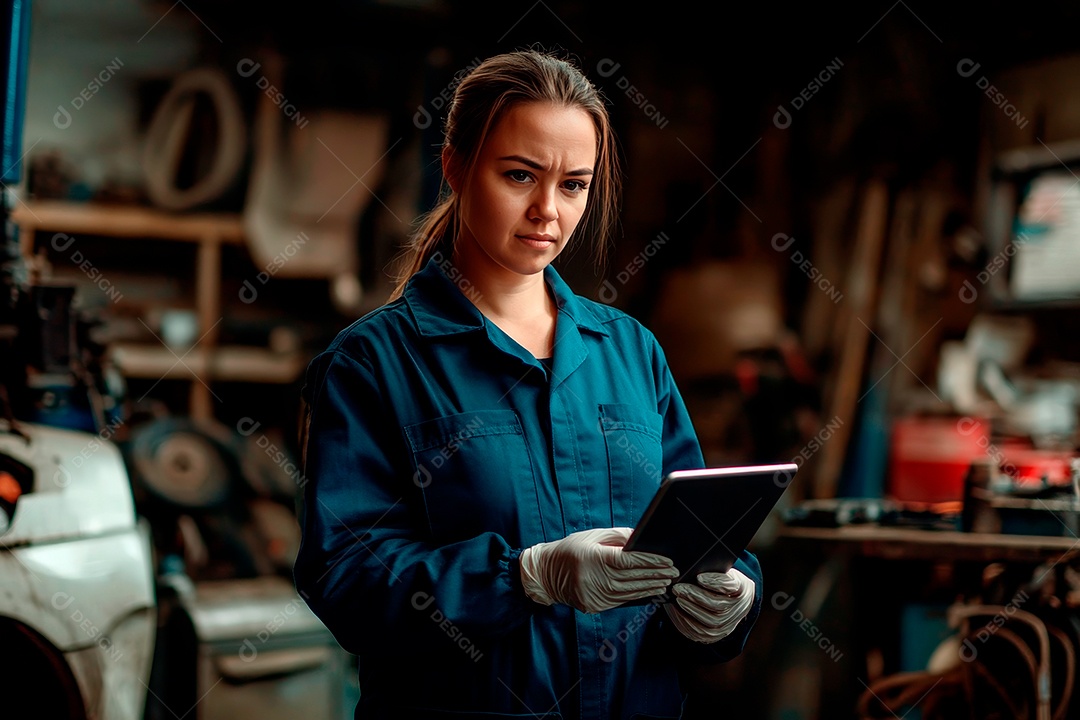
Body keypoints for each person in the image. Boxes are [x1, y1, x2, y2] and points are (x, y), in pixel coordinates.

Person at [294, 49, 762, 720]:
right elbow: (344, 580)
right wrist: (526, 576)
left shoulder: (629, 352)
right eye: (520, 175)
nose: (548, 209)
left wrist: (728, 601)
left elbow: (701, 533)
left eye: (574, 184)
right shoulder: (373, 363)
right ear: (454, 166)